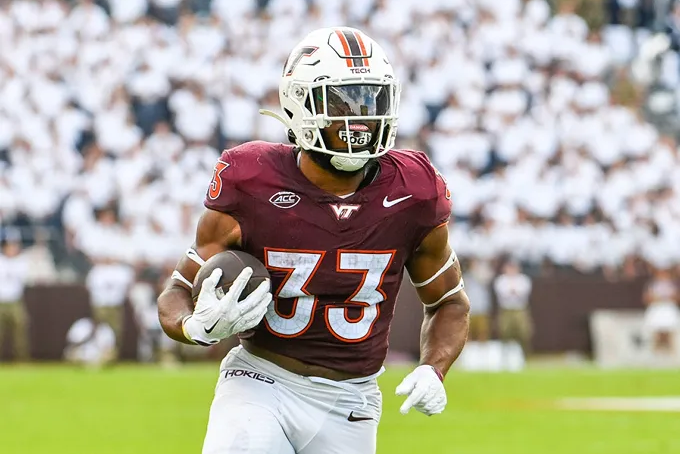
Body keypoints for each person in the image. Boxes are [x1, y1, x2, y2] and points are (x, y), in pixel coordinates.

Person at [158, 27, 470, 454]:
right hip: (261, 382)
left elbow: (449, 302)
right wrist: (194, 327)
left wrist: (435, 369)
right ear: (299, 102)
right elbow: (177, 292)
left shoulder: (414, 190)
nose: (361, 119)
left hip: (353, 400)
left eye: (372, 100)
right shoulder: (251, 179)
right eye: (343, 102)